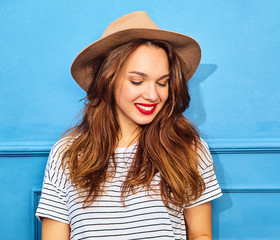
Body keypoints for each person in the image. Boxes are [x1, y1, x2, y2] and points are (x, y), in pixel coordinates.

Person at [36, 11, 222, 240]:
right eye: (137, 81)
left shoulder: (189, 148)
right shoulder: (66, 153)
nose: (153, 95)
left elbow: (201, 234)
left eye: (162, 83)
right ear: (108, 80)